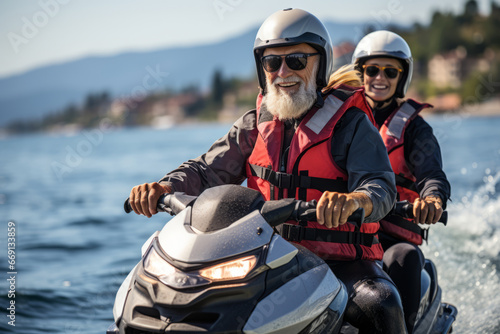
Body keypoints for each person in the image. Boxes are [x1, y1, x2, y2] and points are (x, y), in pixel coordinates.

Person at [129, 9, 406, 333]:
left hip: (341, 263)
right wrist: (164, 187)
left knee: (381, 304)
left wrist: (356, 200)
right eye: (272, 62)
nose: (283, 71)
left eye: (297, 61)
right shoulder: (253, 125)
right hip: (267, 258)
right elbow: (207, 171)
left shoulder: (352, 126)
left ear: (320, 65)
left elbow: (380, 187)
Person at [352, 30, 451, 333]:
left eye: (390, 71)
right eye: (371, 70)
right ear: (360, 74)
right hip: (343, 234)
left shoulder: (414, 130)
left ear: (401, 77)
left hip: (391, 239)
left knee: (405, 258)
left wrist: (432, 199)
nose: (379, 78)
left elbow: (432, 174)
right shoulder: (342, 121)